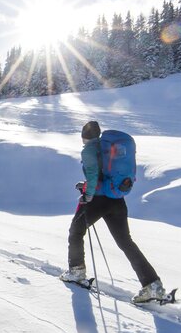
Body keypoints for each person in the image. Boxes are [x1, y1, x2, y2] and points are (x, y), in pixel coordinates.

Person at [60, 120, 166, 303]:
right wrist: (87, 186)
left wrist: (87, 195)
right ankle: (152, 284)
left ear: (84, 137)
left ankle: (76, 272)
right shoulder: (106, 148)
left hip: (98, 200)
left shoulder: (89, 150)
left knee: (75, 232)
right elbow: (102, 174)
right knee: (126, 242)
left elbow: (93, 175)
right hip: (117, 200)